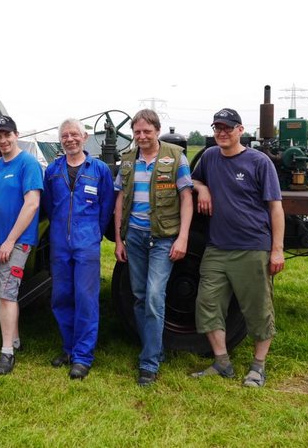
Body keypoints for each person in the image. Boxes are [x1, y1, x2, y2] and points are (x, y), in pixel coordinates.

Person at [190, 108, 284, 388]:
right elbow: (193, 179)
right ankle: (222, 362)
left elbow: (275, 207)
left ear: (240, 130)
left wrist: (276, 248)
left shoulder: (259, 162)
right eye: (217, 128)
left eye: (227, 128)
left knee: (257, 309)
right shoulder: (209, 157)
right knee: (207, 305)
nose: (221, 132)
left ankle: (258, 367)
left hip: (252, 246)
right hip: (217, 248)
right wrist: (202, 188)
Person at [113, 109, 193, 386]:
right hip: (134, 236)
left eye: (147, 131)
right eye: (137, 132)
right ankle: (154, 348)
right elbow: (120, 201)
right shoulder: (127, 161)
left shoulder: (175, 157)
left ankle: (148, 363)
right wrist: (119, 239)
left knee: (154, 296)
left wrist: (183, 237)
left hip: (162, 237)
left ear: (157, 131)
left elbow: (186, 198)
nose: (142, 136)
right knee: (138, 295)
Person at [42, 118, 115, 380]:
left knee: (86, 299)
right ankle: (69, 348)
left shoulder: (99, 169)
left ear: (84, 137)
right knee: (61, 297)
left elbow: (107, 206)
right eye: (65, 136)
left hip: (86, 245)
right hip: (60, 244)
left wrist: (93, 233)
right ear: (60, 140)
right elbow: (50, 206)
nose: (70, 139)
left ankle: (83, 356)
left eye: (74, 135)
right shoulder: (52, 170)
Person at [0, 115, 43, 375]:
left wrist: (10, 240)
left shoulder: (28, 163)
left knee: (7, 293)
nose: (3, 140)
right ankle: (15, 339)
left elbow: (32, 204)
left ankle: (7, 352)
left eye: (7, 135)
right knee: (2, 293)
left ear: (16, 135)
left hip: (16, 242)